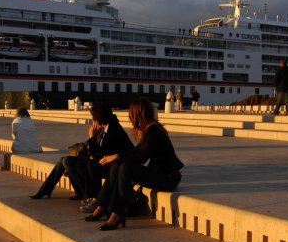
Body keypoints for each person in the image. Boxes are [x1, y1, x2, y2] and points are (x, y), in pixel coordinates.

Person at [86, 97, 183, 231]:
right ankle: (102, 206)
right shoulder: (150, 129)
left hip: (169, 179)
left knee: (124, 167)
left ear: (137, 115)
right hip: (161, 175)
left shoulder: (153, 131)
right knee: (117, 165)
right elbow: (136, 152)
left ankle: (117, 213)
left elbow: (140, 157)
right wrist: (115, 158)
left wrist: (116, 156)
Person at [30, 102, 133, 202]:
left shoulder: (113, 130)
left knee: (67, 161)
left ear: (97, 120)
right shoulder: (106, 128)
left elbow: (99, 154)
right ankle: (46, 190)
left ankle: (81, 193)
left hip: (108, 166)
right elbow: (97, 151)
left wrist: (92, 137)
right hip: (99, 161)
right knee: (64, 160)